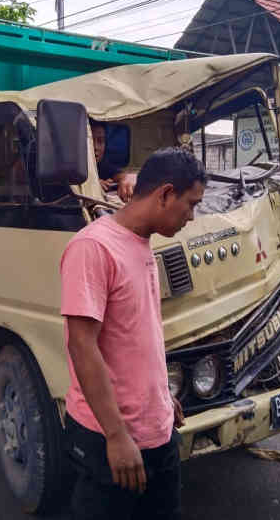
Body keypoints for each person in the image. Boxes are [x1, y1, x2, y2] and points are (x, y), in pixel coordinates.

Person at [60, 147, 206, 520]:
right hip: (109, 438)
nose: (192, 216)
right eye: (191, 204)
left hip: (158, 430)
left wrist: (160, 396)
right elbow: (82, 344)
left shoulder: (141, 242)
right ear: (165, 194)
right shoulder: (93, 247)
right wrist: (115, 435)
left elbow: (136, 333)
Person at [91, 121, 137, 202]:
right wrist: (92, 183)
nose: (96, 147)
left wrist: (127, 179)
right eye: (90, 141)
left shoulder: (101, 165)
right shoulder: (70, 168)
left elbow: (119, 175)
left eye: (100, 141)